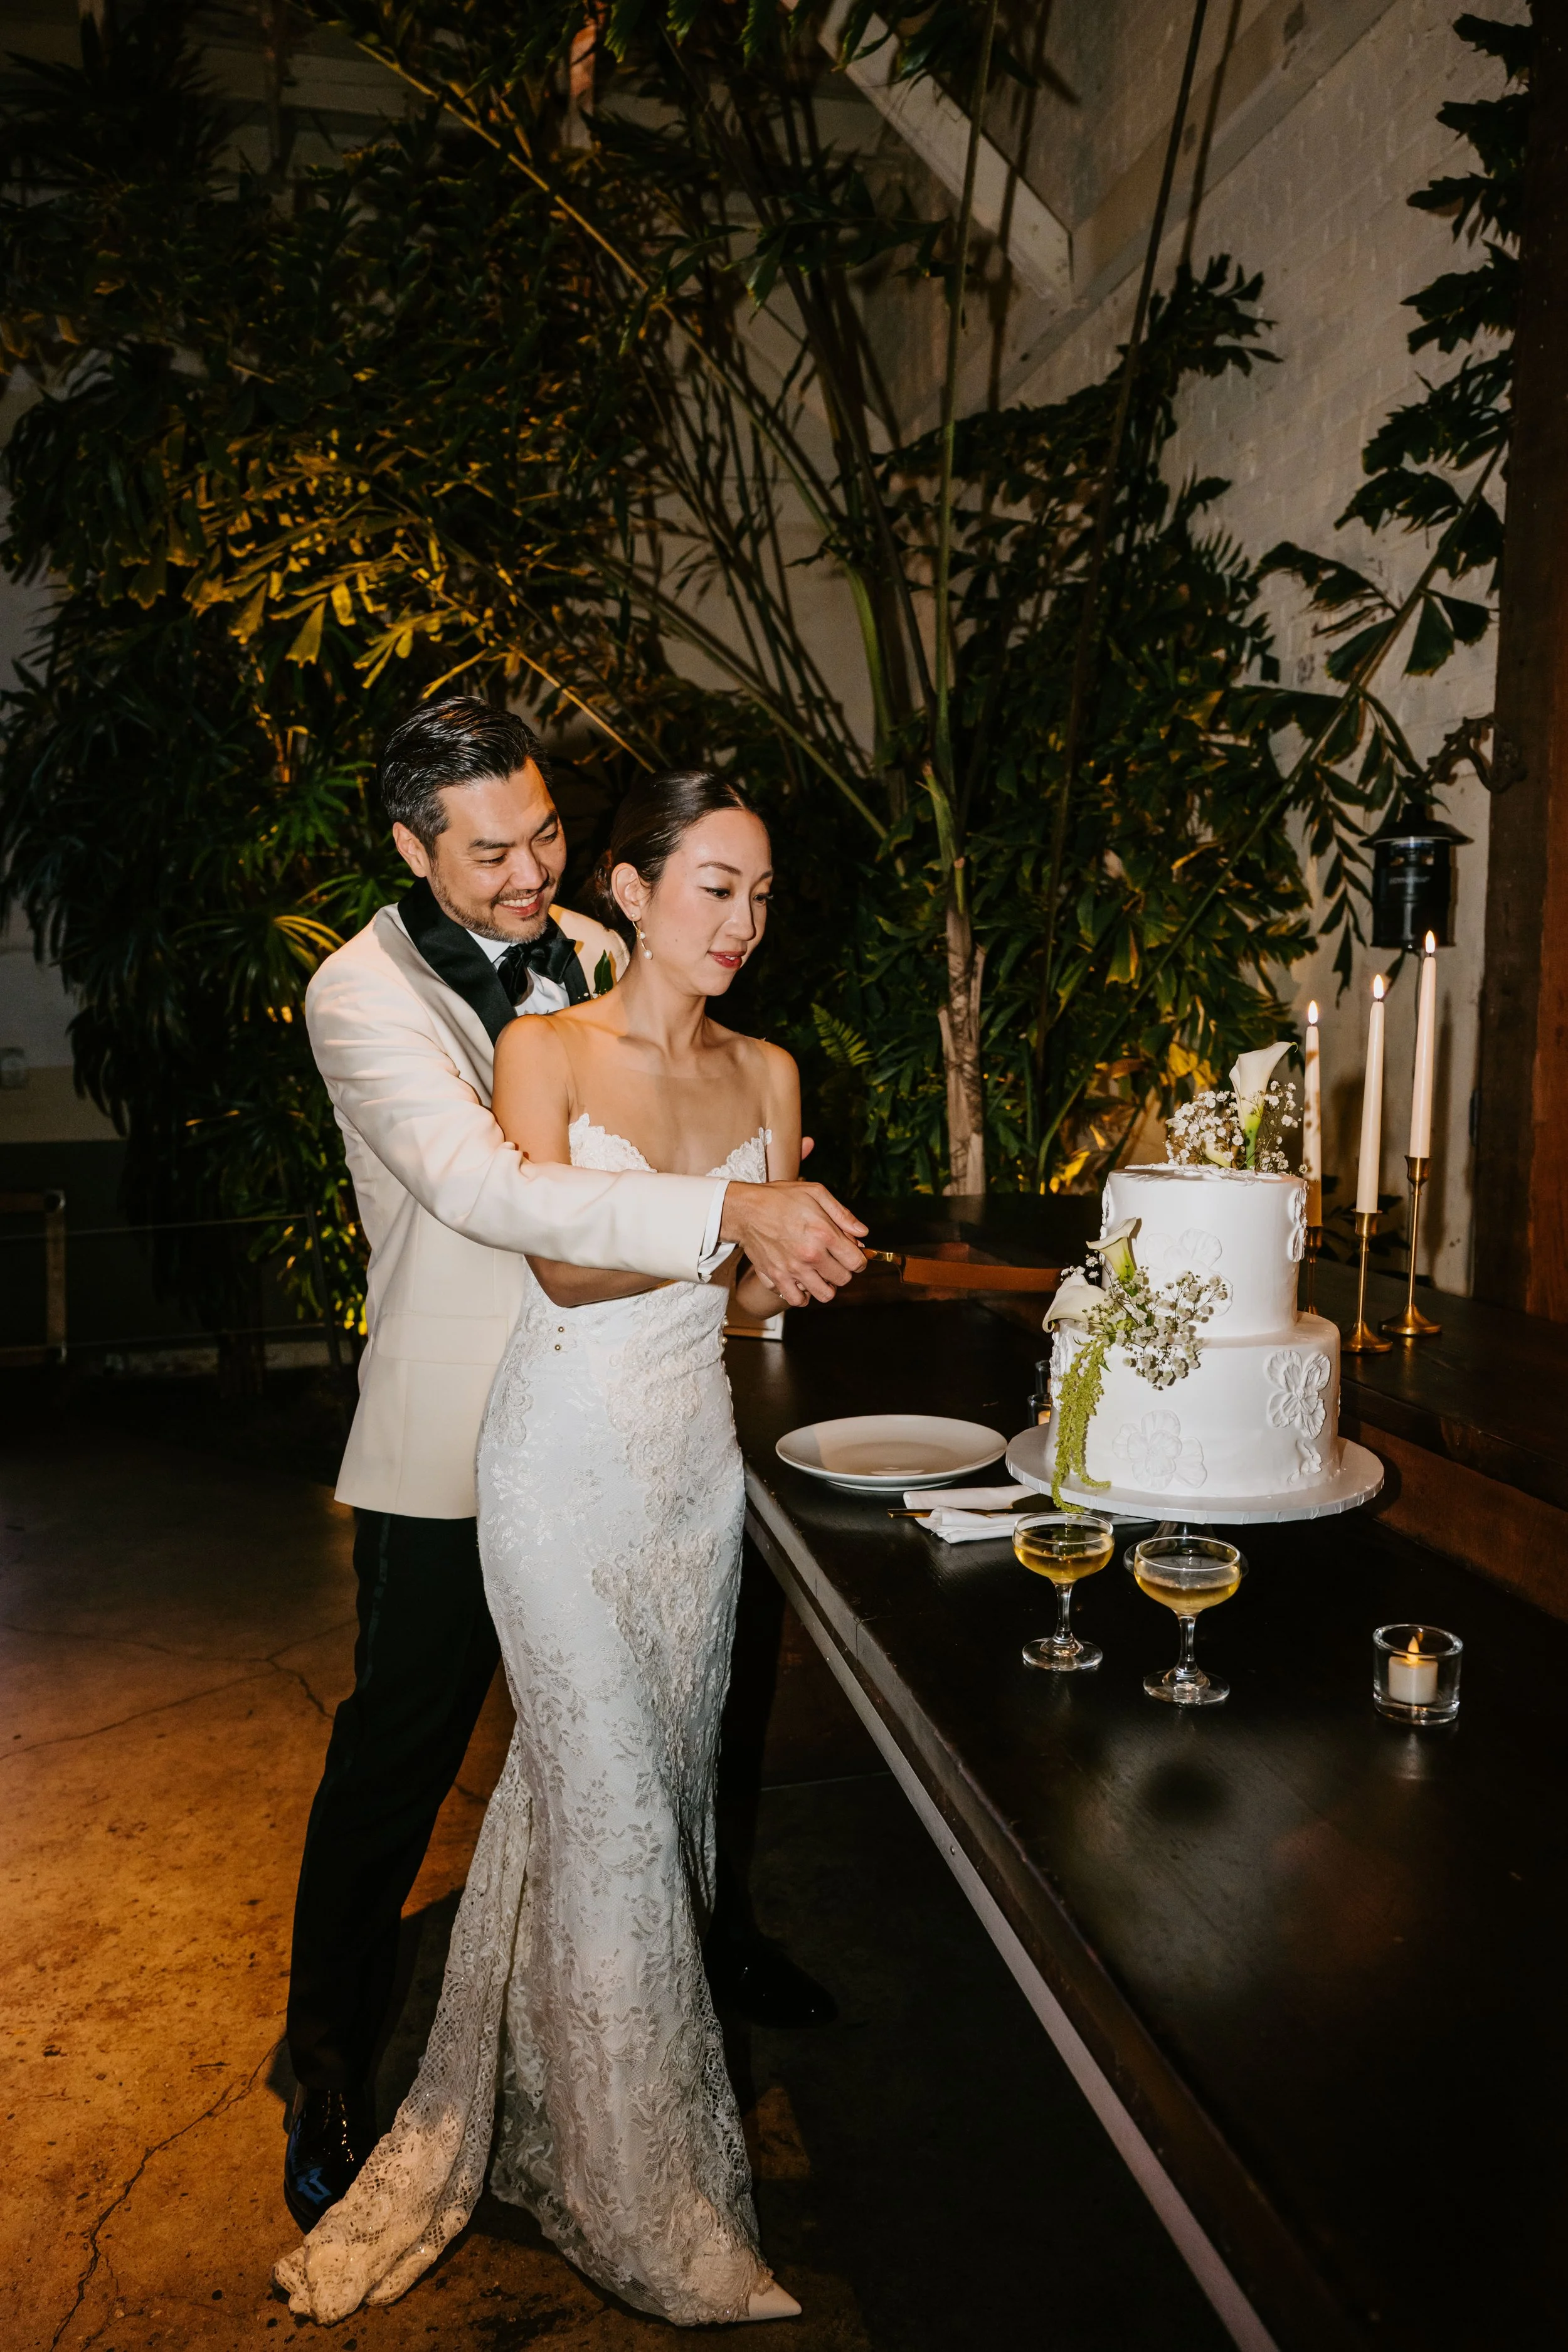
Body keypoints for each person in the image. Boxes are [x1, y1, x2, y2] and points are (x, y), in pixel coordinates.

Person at [284, 701, 865, 2237]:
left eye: (548, 832)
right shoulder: (356, 996)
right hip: (454, 1430)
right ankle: (325, 2058)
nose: (533, 868)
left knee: (694, 1704)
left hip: (634, 1422)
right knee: (399, 1754)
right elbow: (490, 1187)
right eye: (491, 852)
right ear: (411, 849)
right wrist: (723, 1222)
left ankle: (700, 1943)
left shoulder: (603, 953)